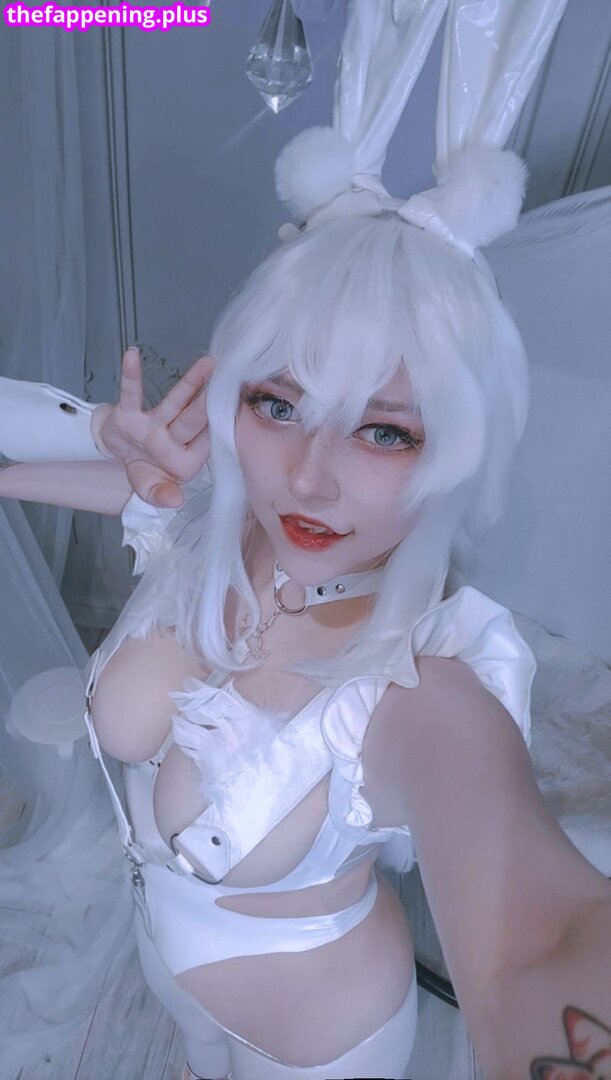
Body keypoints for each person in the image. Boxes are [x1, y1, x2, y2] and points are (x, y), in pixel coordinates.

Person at [1, 3, 610, 1078]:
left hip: (319, 1043)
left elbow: (541, 938)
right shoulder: (223, 513)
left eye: (384, 430)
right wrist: (98, 431)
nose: (309, 475)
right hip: (168, 973)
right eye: (277, 404)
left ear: (457, 448)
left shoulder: (422, 692)